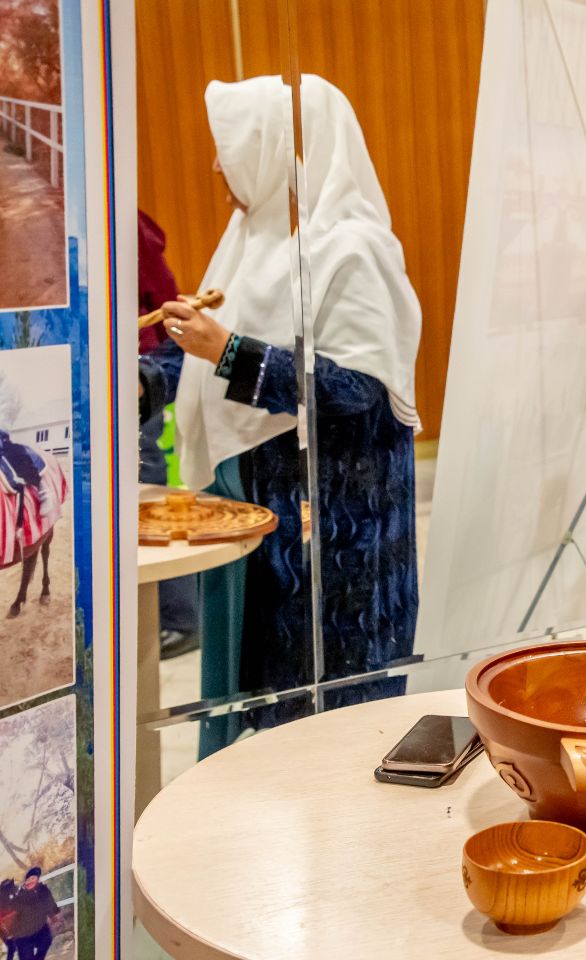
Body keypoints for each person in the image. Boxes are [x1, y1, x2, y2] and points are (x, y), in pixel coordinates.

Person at [140, 76, 422, 754]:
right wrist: (146, 381)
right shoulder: (257, 243)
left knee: (336, 718)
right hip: (266, 524)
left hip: (340, 536)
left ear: (274, 150)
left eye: (229, 148)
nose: (216, 166)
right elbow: (210, 352)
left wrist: (229, 350)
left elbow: (359, 388)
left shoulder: (352, 250)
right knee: (271, 704)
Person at [137, 209, 199, 660]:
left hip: (135, 374)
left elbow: (161, 293)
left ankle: (181, 617)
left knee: (151, 494)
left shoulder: (118, 219)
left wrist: (154, 372)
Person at [7, 868, 57, 960]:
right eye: (28, 879)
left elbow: (50, 904)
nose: (30, 881)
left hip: (39, 929)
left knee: (47, 939)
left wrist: (53, 915)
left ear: (37, 879)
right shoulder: (20, 896)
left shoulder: (44, 890)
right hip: (23, 934)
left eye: (33, 878)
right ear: (25, 882)